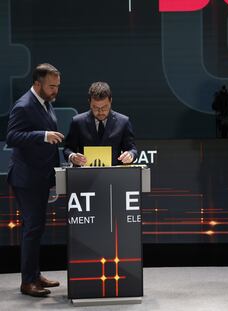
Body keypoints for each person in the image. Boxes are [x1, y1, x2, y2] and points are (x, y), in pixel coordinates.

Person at [7, 63, 64, 297]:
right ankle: (27, 281)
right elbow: (11, 137)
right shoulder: (23, 105)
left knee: (37, 228)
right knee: (32, 229)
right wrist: (42, 135)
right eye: (52, 86)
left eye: (58, 86)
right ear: (37, 84)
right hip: (27, 179)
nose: (55, 91)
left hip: (41, 178)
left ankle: (34, 273)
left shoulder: (44, 102)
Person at [63, 82, 138, 166]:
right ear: (89, 103)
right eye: (95, 107)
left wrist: (130, 155)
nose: (100, 112)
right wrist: (72, 157)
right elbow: (67, 149)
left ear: (110, 101)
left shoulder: (123, 121)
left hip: (115, 175)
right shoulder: (78, 122)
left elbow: (132, 149)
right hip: (84, 175)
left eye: (104, 107)